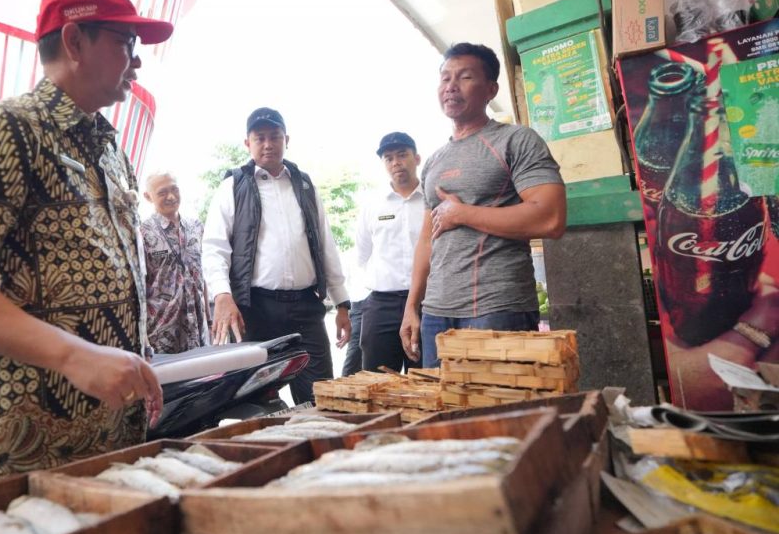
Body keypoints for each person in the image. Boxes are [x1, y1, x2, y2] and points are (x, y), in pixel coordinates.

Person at [0, 0, 166, 493]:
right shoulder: (5, 129)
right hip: (20, 435)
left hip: (104, 433)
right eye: (126, 43)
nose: (137, 62)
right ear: (74, 41)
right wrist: (75, 355)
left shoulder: (108, 148)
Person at [399, 43, 567, 369]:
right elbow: (426, 239)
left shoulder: (516, 140)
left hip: (497, 307)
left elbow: (551, 218)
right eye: (445, 77)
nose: (451, 86)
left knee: (498, 413)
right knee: (447, 415)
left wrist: (463, 214)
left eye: (464, 77)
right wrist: (412, 306)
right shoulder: (434, 159)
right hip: (437, 312)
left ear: (491, 89)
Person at [202, 107, 351, 403]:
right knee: (258, 403)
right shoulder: (233, 186)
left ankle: (319, 449)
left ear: (286, 140)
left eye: (275, 136)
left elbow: (325, 245)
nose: (268, 144)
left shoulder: (305, 185)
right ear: (248, 143)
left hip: (307, 308)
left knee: (320, 399)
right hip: (256, 310)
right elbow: (214, 247)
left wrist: (343, 303)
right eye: (260, 138)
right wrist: (222, 295)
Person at [356, 131, 424, 372]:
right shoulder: (372, 204)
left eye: (402, 155)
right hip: (381, 306)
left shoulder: (432, 200)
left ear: (416, 158)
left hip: (428, 303)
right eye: (388, 157)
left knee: (428, 379)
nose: (396, 162)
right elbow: (362, 255)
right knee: (378, 381)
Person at [140, 171, 210, 353]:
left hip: (198, 330)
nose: (171, 197)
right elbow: (139, 288)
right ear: (148, 197)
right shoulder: (142, 233)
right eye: (162, 193)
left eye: (175, 190)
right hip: (161, 333)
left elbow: (202, 276)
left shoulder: (196, 226)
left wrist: (209, 321)